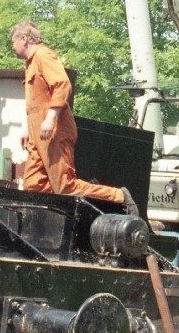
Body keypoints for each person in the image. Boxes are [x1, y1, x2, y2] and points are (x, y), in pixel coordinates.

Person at [10, 21, 138, 211]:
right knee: (34, 185)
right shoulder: (31, 64)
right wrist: (27, 128)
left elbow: (62, 85)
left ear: (24, 39)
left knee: (65, 186)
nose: (12, 47)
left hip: (54, 132)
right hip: (39, 135)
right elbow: (37, 102)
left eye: (13, 42)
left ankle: (119, 196)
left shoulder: (44, 56)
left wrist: (50, 118)